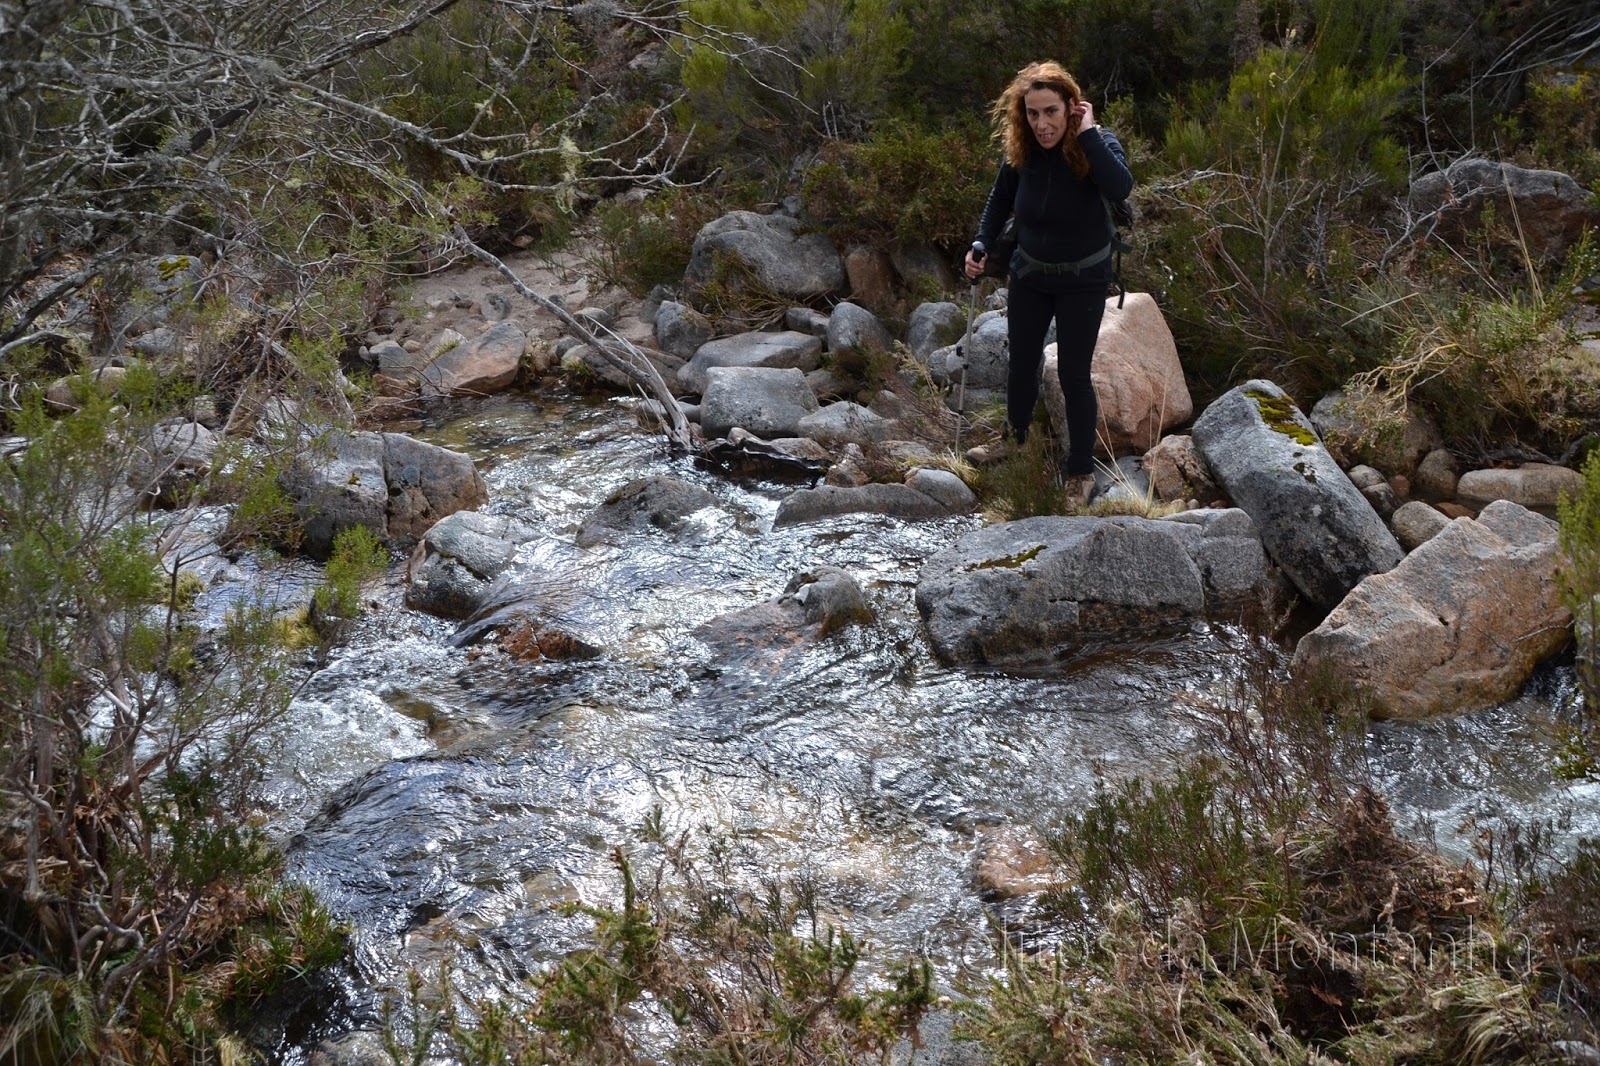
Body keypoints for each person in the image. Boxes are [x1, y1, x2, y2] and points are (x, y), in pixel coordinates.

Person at [963, 60, 1133, 505]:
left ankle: (1080, 470)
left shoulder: (1098, 144)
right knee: (1021, 360)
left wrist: (1088, 134)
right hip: (1030, 274)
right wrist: (981, 242)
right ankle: (1016, 438)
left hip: (1083, 280)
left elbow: (1120, 187)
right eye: (1033, 113)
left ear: (1071, 107)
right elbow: (1000, 199)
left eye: (1051, 112)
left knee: (1074, 374)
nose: (1042, 124)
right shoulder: (1022, 152)